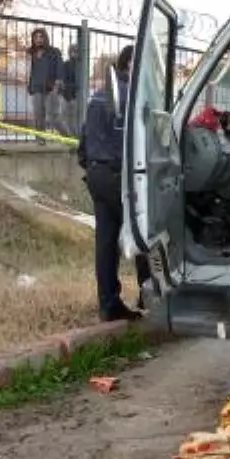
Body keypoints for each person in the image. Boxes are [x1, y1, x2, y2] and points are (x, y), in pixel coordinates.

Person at [77, 44, 152, 322]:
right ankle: (150, 295)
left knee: (106, 242)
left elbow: (82, 145)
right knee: (143, 232)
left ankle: (108, 304)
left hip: (97, 174)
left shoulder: (99, 95)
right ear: (130, 64)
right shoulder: (131, 97)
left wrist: (94, 166)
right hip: (120, 176)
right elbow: (135, 143)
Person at [27, 28, 66, 137]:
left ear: (45, 38)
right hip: (36, 88)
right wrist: (30, 87)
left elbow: (60, 68)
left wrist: (58, 83)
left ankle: (71, 141)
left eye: (41, 36)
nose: (38, 39)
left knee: (54, 117)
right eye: (36, 37)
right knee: (38, 116)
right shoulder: (32, 54)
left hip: (51, 88)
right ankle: (40, 141)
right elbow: (31, 71)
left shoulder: (54, 51)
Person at [61, 44, 80, 136]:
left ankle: (76, 139)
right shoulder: (66, 65)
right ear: (70, 52)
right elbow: (64, 82)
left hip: (78, 98)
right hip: (68, 97)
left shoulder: (81, 66)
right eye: (73, 51)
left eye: (77, 51)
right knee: (68, 119)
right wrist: (69, 97)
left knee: (75, 120)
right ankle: (72, 139)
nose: (75, 53)